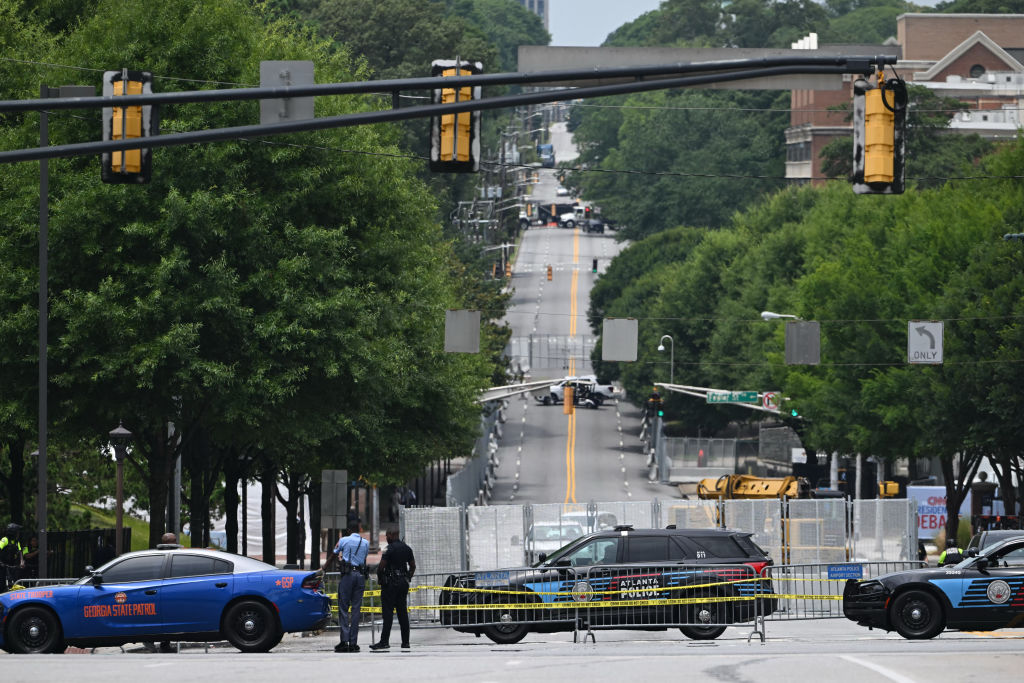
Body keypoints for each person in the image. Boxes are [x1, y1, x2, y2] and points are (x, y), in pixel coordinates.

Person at [370, 529, 416, 651]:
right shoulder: (407, 548)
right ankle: (405, 642)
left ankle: (384, 641)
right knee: (402, 613)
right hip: (403, 583)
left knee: (388, 613)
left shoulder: (389, 549)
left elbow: (381, 567)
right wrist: (408, 577)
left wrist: (380, 579)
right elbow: (413, 566)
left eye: (387, 535)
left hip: (390, 583)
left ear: (392, 535)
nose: (386, 537)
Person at [331, 525, 369, 653]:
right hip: (360, 576)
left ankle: (344, 641)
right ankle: (353, 643)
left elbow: (334, 553)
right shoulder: (365, 543)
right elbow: (363, 560)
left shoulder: (344, 540)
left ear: (348, 531)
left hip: (348, 576)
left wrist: (336, 564)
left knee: (343, 608)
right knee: (356, 609)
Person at [1, 523, 24, 592]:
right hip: (2, 565)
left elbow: (20, 552)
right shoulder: (5, 540)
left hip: (11, 566)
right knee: (2, 583)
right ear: (13, 533)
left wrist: (21, 562)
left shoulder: (17, 542)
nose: (18, 534)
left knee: (13, 583)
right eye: (17, 532)